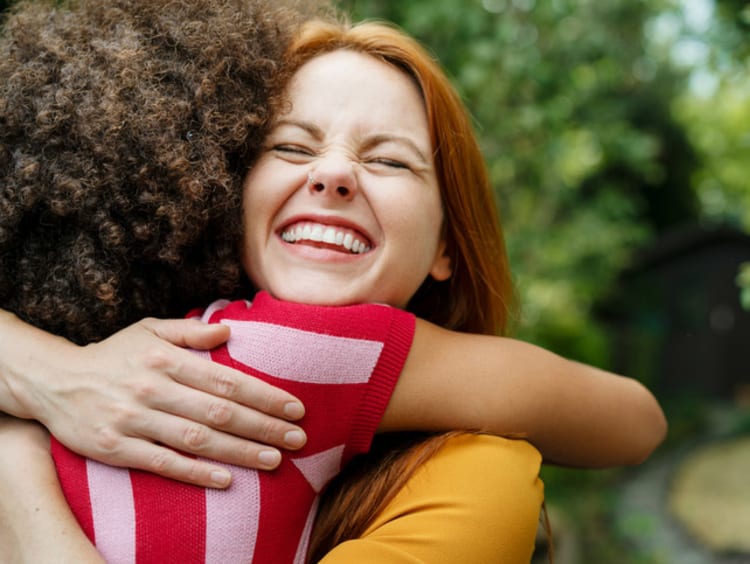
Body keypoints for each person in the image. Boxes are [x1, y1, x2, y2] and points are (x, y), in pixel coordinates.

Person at [0, 2, 667, 562]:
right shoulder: (308, 350)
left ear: (447, 245)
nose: (334, 174)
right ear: (219, 185)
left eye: (389, 160)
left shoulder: (110, 351)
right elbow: (636, 422)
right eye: (290, 147)